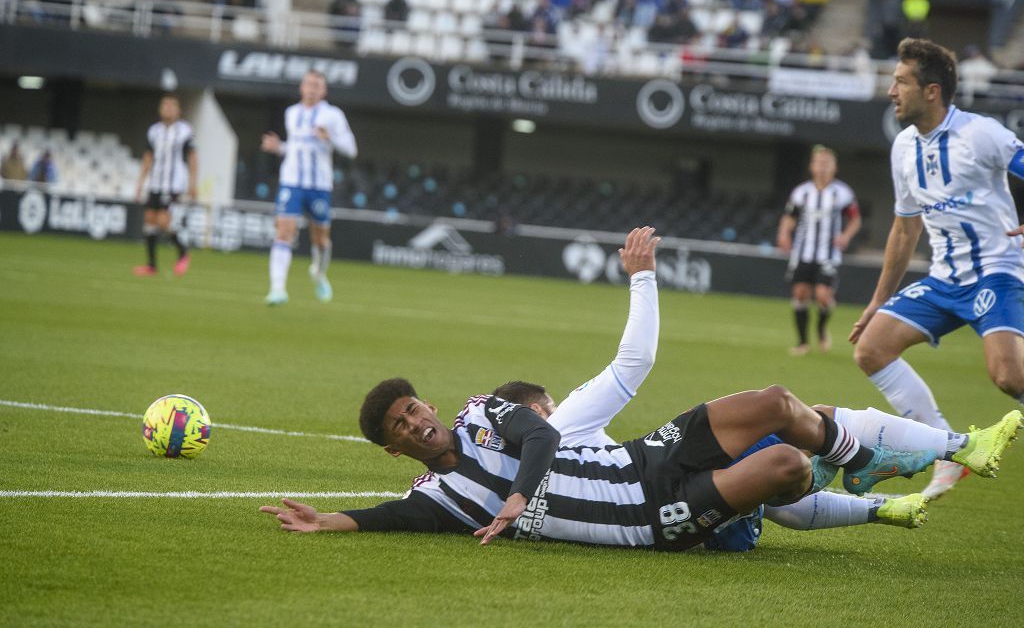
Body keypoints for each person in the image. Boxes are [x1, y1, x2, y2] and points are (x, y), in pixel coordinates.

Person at [262, 227, 1021, 550]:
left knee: (777, 402)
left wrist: (523, 499)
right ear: (396, 445)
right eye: (402, 424)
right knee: (784, 467)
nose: (418, 421)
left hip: (642, 459)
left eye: (414, 406)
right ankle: (873, 477)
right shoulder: (439, 499)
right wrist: (329, 520)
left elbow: (545, 435)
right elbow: (388, 517)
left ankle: (947, 448)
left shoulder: (486, 413)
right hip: (651, 515)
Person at [849, 37, 1024, 500]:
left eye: (901, 81)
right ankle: (948, 454)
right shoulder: (903, 147)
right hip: (944, 280)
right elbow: (905, 231)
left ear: (931, 91)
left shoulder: (980, 133)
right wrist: (877, 301)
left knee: (1009, 377)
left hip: (996, 270)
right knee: (870, 350)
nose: (891, 90)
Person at [260, 70, 357, 305]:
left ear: (323, 90)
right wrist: (279, 147)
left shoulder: (332, 115)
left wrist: (330, 137)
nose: (312, 88)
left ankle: (319, 274)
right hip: (291, 182)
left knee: (321, 240)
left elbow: (351, 149)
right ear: (301, 87)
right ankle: (278, 289)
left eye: (317, 85)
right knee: (284, 230)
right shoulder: (291, 113)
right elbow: (296, 147)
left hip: (319, 185)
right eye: (308, 83)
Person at [776, 145, 861, 355]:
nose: (822, 167)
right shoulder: (801, 192)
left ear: (835, 168)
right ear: (811, 167)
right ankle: (803, 342)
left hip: (828, 254)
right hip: (803, 252)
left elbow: (855, 219)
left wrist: (846, 236)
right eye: (818, 163)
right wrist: (784, 234)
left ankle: (822, 329)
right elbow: (790, 216)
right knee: (800, 294)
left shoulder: (842, 193)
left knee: (823, 296)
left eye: (827, 163)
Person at [133, 95, 197, 277]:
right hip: (155, 182)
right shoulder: (154, 131)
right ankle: (151, 265)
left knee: (163, 221)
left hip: (174, 184)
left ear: (179, 110)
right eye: (165, 105)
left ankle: (184, 252)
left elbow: (193, 157)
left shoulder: (185, 131)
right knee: (149, 220)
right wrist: (140, 182)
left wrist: (193, 183)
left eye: (172, 105)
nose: (168, 108)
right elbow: (147, 158)